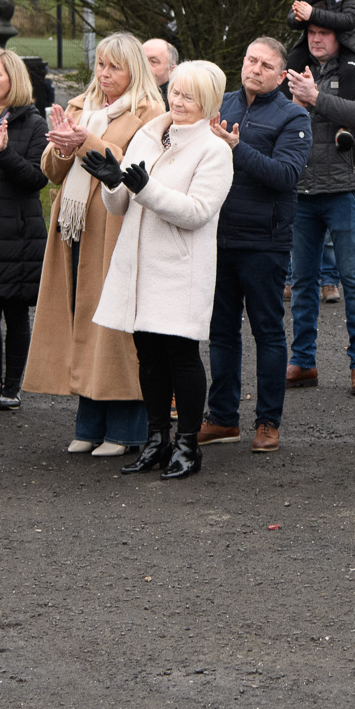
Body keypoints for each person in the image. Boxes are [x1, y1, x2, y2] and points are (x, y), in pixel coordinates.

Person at [88, 61, 235, 481]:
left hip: (179, 268)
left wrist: (144, 188)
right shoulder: (149, 135)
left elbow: (197, 213)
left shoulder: (214, 150)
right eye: (175, 92)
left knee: (181, 355)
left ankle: (187, 444)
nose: (179, 101)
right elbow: (119, 207)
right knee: (148, 356)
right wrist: (112, 183)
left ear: (208, 101)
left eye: (190, 96)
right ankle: (157, 440)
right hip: (138, 264)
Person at [26, 32, 167, 456]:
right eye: (100, 65)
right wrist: (62, 143)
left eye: (115, 67)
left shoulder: (150, 112)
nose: (104, 75)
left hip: (116, 227)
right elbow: (50, 172)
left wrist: (83, 140)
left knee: (115, 326)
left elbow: (132, 167)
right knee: (81, 318)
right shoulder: (78, 108)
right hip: (74, 228)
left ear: (134, 72)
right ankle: (89, 423)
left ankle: (126, 430)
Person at [198, 37, 313, 453]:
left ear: (282, 75)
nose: (255, 68)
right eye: (250, 60)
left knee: (267, 331)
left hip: (265, 241)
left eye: (266, 65)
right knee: (221, 332)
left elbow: (285, 175)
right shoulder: (221, 104)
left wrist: (236, 147)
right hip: (217, 236)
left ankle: (268, 422)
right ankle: (222, 418)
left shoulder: (293, 116)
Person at [283, 21, 355, 396]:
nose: (316, 39)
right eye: (311, 33)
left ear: (340, 36)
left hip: (346, 189)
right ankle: (303, 360)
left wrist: (315, 97)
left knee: (354, 280)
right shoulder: (291, 68)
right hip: (302, 187)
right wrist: (293, 100)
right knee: (303, 281)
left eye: (324, 32)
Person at [0, 48, 49, 411]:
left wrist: (4, 154)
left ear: (13, 79)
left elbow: (37, 179)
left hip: (19, 235)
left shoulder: (33, 123)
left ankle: (12, 387)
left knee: (15, 313)